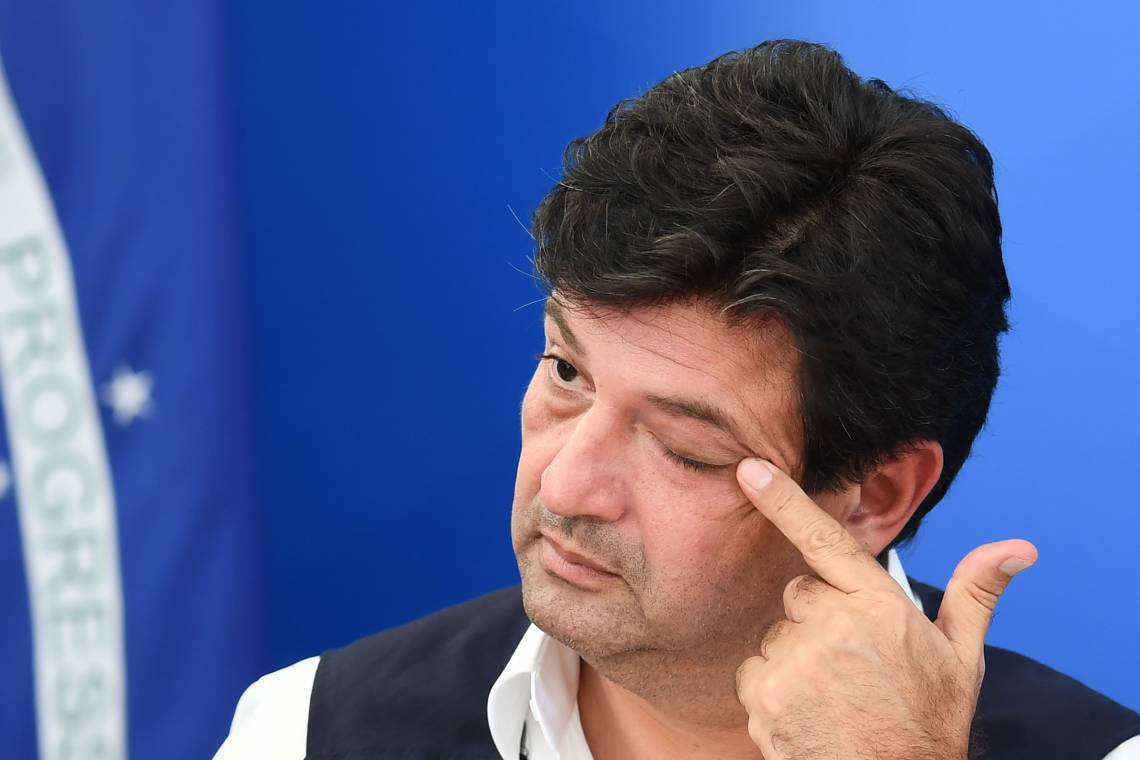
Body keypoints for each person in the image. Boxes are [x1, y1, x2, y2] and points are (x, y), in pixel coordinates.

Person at [214, 40, 1140, 759]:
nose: (566, 487)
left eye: (685, 448)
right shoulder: (303, 731)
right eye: (567, 374)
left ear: (877, 495)